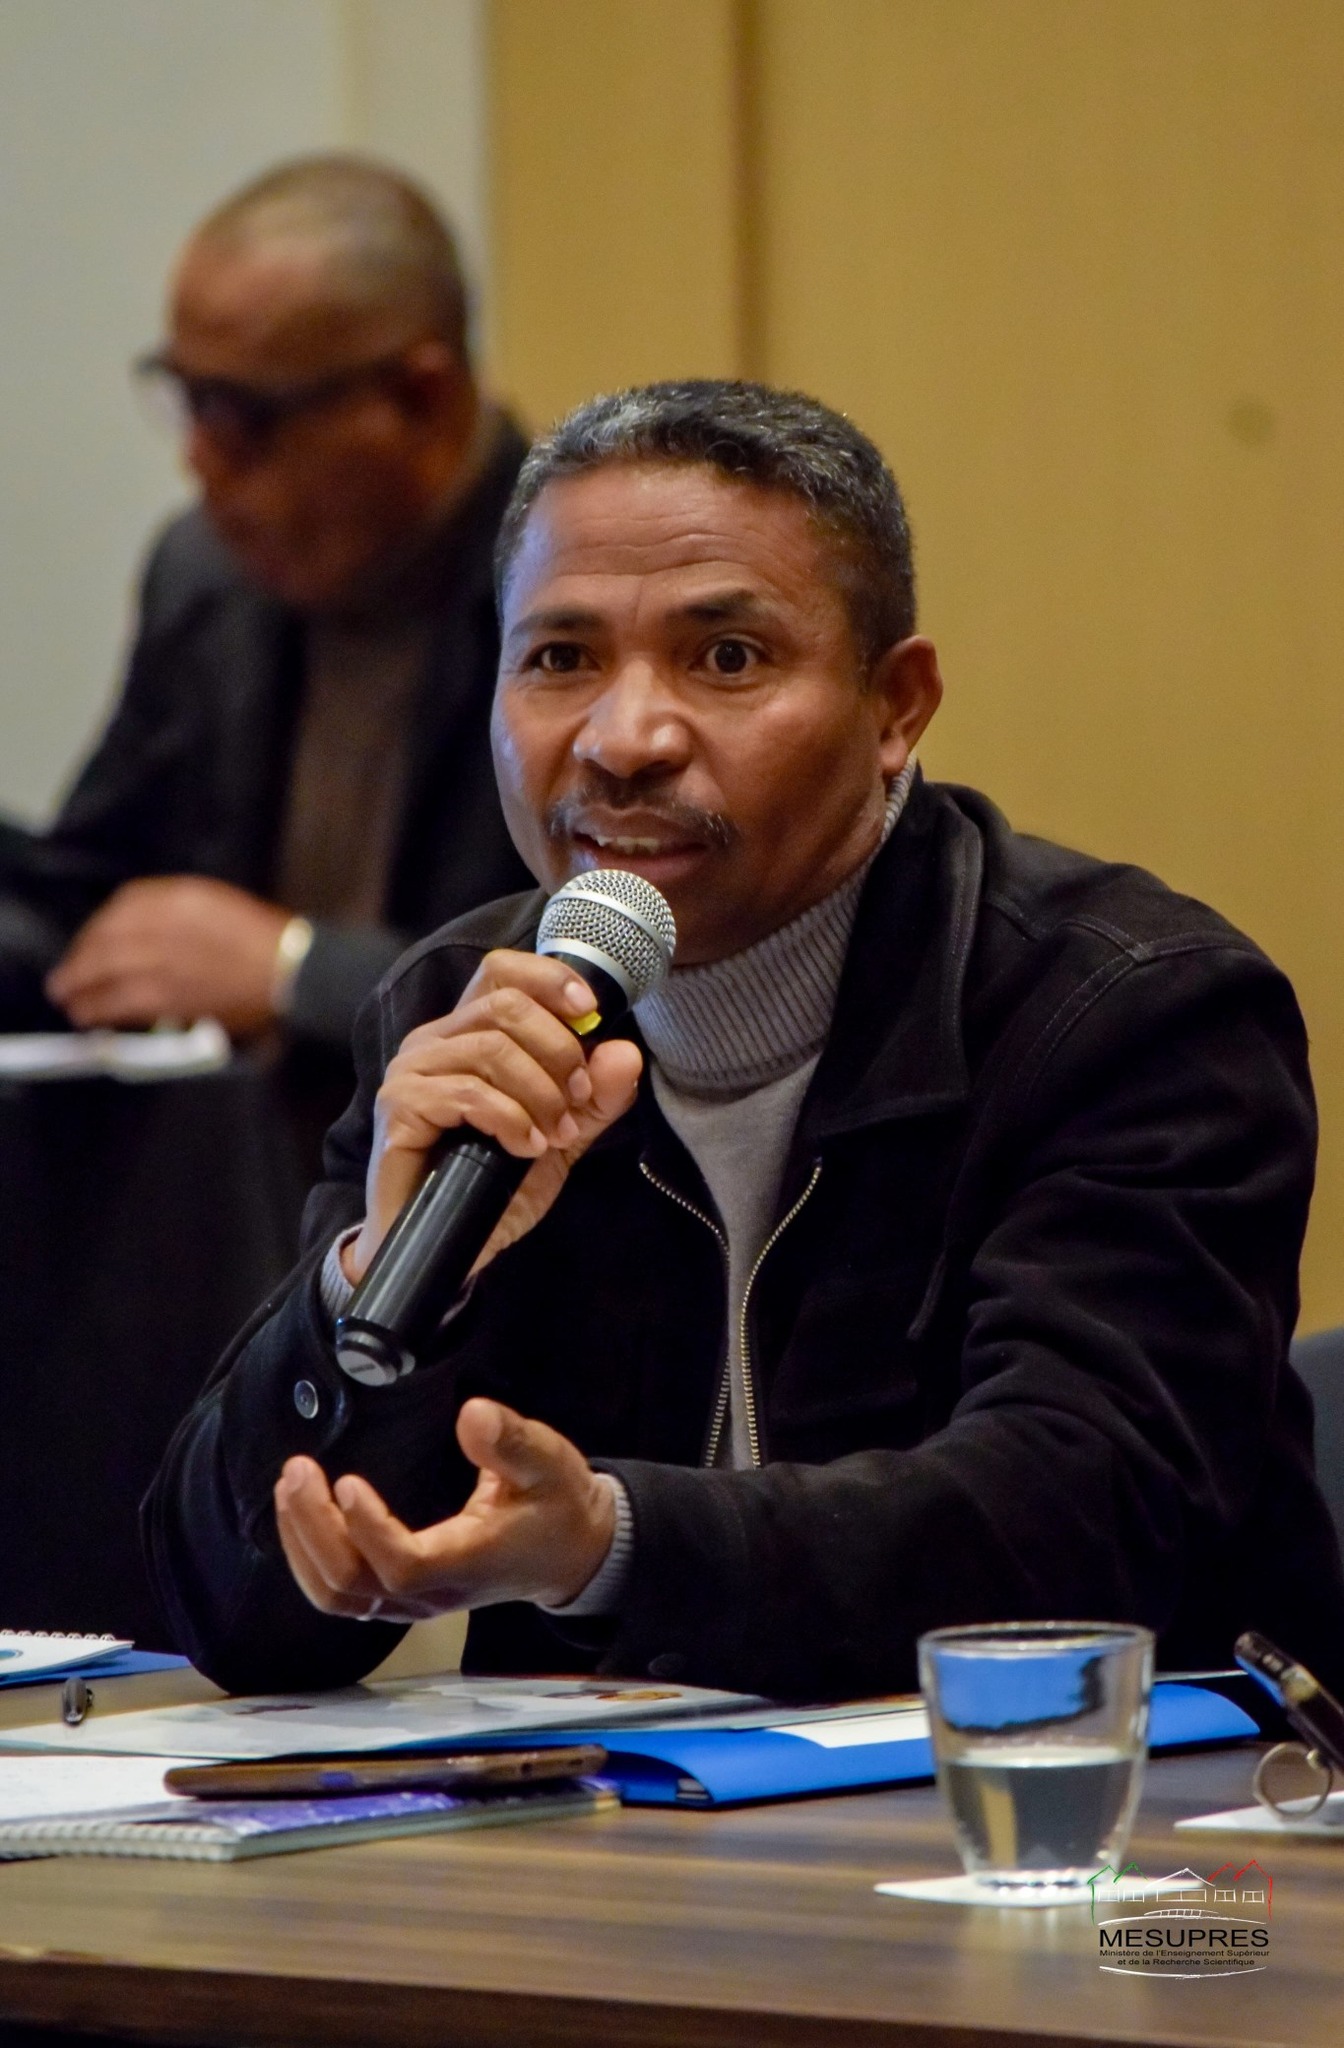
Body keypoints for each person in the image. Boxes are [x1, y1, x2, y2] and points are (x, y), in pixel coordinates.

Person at [146, 379, 1344, 1699]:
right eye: (559, 659)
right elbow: (239, 1620)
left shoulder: (1128, 1011)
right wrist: (380, 1278)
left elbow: (1075, 1526)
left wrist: (612, 1543)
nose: (624, 741)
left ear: (896, 707)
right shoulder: (459, 1011)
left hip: (1118, 1810)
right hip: (611, 1813)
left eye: (726, 658)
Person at [0, 153, 532, 1172]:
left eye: (242, 414)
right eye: (186, 399)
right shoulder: (208, 577)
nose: (197, 458)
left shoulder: (575, 598)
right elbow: (86, 910)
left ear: (418, 398)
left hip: (494, 1208)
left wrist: (294, 970)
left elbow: (623, 985)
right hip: (235, 1214)